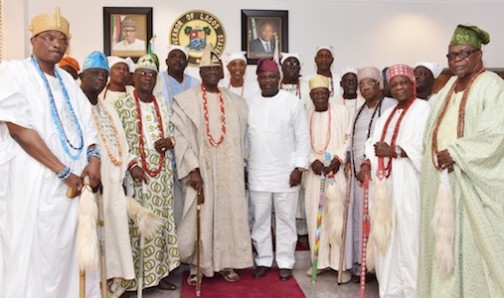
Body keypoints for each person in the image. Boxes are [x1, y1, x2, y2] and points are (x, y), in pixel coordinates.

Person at [0, 8, 101, 297]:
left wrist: (94, 160)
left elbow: (88, 125)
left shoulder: (68, 82)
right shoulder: (14, 72)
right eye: (49, 37)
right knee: (36, 254)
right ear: (33, 40)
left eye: (62, 39)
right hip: (34, 183)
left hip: (73, 190)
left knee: (67, 255)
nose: (56, 44)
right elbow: (20, 131)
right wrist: (63, 172)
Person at [418, 24, 504, 298]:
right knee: (445, 244)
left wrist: (457, 153)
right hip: (443, 182)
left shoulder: (492, 86)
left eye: (464, 53)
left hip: (472, 184)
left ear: (479, 55)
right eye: (452, 55)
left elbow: (496, 134)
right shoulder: (446, 90)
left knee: (472, 244)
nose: (457, 60)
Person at [172, 44, 253, 285]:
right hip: (202, 170)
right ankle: (200, 265)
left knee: (229, 214)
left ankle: (227, 262)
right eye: (207, 69)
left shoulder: (237, 102)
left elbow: (245, 136)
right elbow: (182, 138)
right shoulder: (186, 101)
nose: (212, 73)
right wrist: (192, 169)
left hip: (230, 172)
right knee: (202, 216)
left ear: (221, 73)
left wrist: (244, 164)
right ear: (201, 73)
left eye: (216, 69)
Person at [359, 64, 429, 297]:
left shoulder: (424, 109)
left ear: (412, 84)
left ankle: (413, 291)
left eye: (403, 83)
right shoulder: (388, 113)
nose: (399, 88)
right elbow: (373, 142)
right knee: (385, 236)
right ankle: (389, 290)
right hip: (384, 186)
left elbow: (426, 146)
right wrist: (367, 162)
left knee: (410, 238)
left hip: (409, 183)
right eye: (395, 84)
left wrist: (397, 151)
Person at [114, 53, 180, 291]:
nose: (146, 78)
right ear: (134, 77)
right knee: (137, 223)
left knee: (160, 222)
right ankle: (135, 278)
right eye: (142, 73)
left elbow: (174, 130)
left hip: (161, 176)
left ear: (155, 79)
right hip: (136, 175)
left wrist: (170, 141)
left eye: (151, 75)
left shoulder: (162, 103)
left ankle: (159, 274)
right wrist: (132, 165)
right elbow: (117, 140)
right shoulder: (121, 105)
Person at [80, 51, 142, 297]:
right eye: (94, 73)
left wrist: (127, 168)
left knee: (113, 235)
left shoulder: (108, 107)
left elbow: (122, 144)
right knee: (91, 238)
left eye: (103, 74)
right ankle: (92, 287)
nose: (99, 78)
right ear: (81, 75)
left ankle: (109, 282)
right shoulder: (76, 105)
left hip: (113, 184)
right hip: (88, 185)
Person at [248, 59, 310, 281]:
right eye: (264, 77)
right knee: (260, 219)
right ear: (258, 79)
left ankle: (285, 261)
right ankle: (263, 259)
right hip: (258, 172)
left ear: (279, 78)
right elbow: (246, 138)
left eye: (272, 77)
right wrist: (246, 166)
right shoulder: (250, 103)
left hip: (286, 172)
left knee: (285, 219)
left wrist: (299, 168)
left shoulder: (292, 102)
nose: (268, 81)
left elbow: (303, 137)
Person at [346, 66, 395, 283]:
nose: (365, 88)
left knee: (378, 220)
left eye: (369, 84)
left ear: (379, 85)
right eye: (362, 85)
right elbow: (353, 140)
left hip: (380, 177)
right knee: (360, 221)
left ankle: (379, 267)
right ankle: (362, 265)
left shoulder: (389, 106)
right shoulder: (359, 110)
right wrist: (349, 161)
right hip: (359, 177)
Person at [303, 75, 351, 281]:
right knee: (315, 218)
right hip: (315, 176)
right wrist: (312, 159)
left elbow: (349, 138)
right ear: (311, 96)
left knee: (338, 218)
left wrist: (339, 158)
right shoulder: (305, 115)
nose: (320, 96)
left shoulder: (342, 111)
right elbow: (300, 141)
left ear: (329, 94)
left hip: (336, 173)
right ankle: (319, 262)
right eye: (316, 94)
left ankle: (339, 265)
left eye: (323, 93)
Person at [155, 45, 200, 227]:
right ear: (166, 62)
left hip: (189, 149)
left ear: (186, 63)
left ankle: (185, 247)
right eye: (173, 57)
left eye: (181, 57)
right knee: (168, 203)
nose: (177, 60)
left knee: (189, 202)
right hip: (163, 150)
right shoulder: (156, 81)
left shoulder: (195, 84)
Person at [279, 52, 310, 249]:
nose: (291, 66)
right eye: (287, 63)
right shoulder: (274, 88)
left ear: (300, 68)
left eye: (295, 63)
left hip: (301, 145)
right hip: (279, 149)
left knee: (302, 193)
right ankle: (281, 232)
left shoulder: (307, 87)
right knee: (282, 193)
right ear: (282, 67)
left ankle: (302, 232)